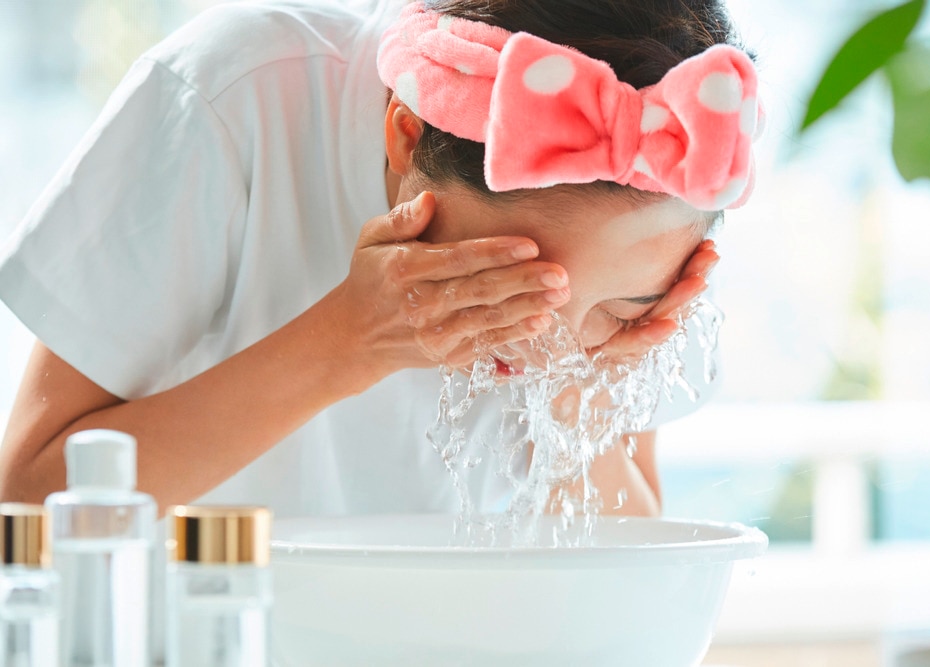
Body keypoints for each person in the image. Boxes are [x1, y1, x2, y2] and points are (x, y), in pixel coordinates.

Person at [0, 0, 756, 518]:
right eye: (498, 287)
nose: (543, 342)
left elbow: (622, 579)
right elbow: (24, 505)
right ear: (402, 133)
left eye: (623, 308)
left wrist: (580, 399)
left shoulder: (646, 237)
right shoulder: (231, 100)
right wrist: (343, 343)